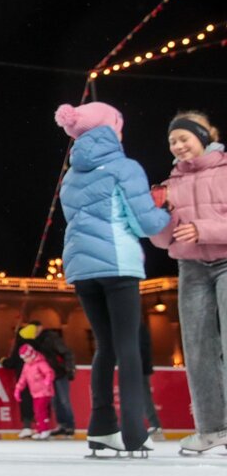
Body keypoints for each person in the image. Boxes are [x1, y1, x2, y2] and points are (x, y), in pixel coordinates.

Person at [55, 102, 170, 456]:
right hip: (118, 264)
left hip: (81, 269)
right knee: (128, 346)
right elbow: (144, 223)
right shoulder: (125, 168)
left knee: (105, 346)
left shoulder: (71, 175)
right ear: (112, 130)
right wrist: (164, 210)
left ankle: (102, 427)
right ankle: (135, 431)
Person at [148, 110, 227, 454]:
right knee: (197, 349)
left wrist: (202, 229)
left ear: (204, 137)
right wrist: (159, 217)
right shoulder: (171, 183)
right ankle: (212, 429)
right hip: (191, 268)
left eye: (184, 138)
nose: (178, 146)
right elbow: (162, 241)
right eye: (172, 141)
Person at [19, 320, 77, 438]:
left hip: (59, 372)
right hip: (47, 376)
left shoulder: (51, 338)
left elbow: (66, 352)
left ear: (40, 327)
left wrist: (70, 368)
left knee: (64, 400)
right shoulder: (35, 342)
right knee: (55, 401)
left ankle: (69, 426)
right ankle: (62, 425)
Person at [13, 344, 56, 440]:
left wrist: (47, 381)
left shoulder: (41, 363)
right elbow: (22, 379)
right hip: (35, 393)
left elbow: (49, 372)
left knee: (41, 410)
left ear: (31, 355)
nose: (25, 360)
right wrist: (18, 389)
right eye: (23, 358)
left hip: (44, 392)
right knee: (37, 411)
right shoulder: (26, 366)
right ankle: (40, 430)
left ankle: (44, 429)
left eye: (26, 358)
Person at [139, 317, 164, 442]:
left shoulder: (138, 328)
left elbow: (144, 348)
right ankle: (153, 426)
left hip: (139, 367)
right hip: (140, 366)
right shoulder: (139, 327)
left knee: (143, 396)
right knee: (140, 397)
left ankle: (155, 426)